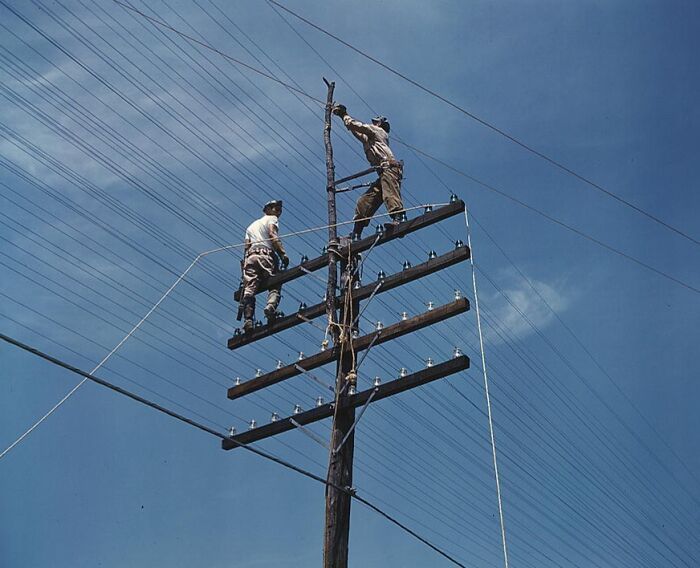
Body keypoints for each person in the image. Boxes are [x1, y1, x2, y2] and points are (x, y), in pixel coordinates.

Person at [332, 103, 405, 238]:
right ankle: (356, 233)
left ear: (380, 124)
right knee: (365, 201)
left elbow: (357, 126)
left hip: (389, 168)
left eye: (375, 122)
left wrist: (344, 115)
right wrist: (344, 119)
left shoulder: (378, 132)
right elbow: (356, 131)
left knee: (389, 193)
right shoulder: (371, 138)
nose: (373, 123)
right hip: (383, 171)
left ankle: (399, 219)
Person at [239, 200, 289, 333]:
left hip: (250, 257)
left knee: (249, 290)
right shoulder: (271, 219)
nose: (278, 211)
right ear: (268, 210)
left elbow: (246, 247)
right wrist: (283, 254)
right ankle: (271, 307)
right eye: (275, 208)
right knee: (275, 281)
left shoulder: (250, 226)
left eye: (279, 209)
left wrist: (244, 270)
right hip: (265, 255)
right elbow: (273, 235)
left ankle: (248, 320)